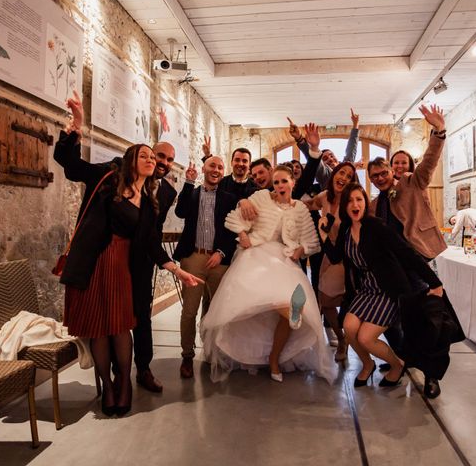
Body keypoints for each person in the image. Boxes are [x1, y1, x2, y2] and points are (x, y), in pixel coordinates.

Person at [54, 92, 201, 417]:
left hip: (128, 267)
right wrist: (76, 127)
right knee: (101, 327)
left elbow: (150, 240)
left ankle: (127, 379)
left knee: (125, 324)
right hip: (95, 262)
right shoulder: (109, 175)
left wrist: (175, 269)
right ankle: (108, 385)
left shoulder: (154, 197)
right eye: (149, 155)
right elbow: (71, 166)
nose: (156, 162)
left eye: (161, 160)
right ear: (133, 157)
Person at [201, 165, 336, 384]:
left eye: (284, 181)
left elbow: (310, 240)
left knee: (290, 308)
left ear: (293, 182)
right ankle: (260, 349)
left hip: (285, 257)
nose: (280, 186)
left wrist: (301, 250)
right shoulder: (262, 198)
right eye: (276, 182)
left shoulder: (300, 208)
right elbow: (233, 218)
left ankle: (275, 357)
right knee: (262, 297)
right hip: (256, 253)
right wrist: (243, 234)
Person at [320, 183, 443, 389]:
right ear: (345, 206)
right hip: (365, 290)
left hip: (388, 290)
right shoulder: (345, 229)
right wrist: (323, 234)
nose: (354, 204)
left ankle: (398, 365)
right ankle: (367, 366)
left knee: (366, 338)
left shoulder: (375, 226)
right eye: (350, 200)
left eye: (359, 199)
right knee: (349, 328)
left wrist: (435, 282)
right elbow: (335, 257)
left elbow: (406, 253)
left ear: (365, 202)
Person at [368, 103, 447, 398]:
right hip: (395, 271)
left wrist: (438, 131)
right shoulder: (375, 205)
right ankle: (404, 358)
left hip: (421, 262)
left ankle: (431, 375)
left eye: (383, 173)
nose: (380, 178)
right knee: (395, 319)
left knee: (430, 320)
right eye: (374, 176)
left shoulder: (413, 183)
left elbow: (429, 161)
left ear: (391, 171)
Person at [173, 156, 239, 379]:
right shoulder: (192, 193)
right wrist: (188, 183)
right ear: (204, 168)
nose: (216, 169)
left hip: (218, 262)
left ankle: (212, 351)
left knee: (214, 310)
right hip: (193, 259)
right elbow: (180, 212)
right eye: (212, 165)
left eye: (220, 167)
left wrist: (221, 253)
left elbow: (232, 230)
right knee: (190, 310)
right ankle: (187, 356)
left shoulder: (230, 198)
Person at [132, 140, 177, 394]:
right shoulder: (125, 178)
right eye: (161, 156)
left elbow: (155, 230)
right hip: (116, 257)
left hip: (144, 260)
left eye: (170, 160)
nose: (164, 163)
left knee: (142, 315)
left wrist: (160, 260)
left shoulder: (168, 193)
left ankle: (143, 369)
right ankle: (115, 372)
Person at [305, 162, 357, 362]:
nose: (343, 177)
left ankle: (355, 341)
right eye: (341, 172)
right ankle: (342, 339)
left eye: (349, 176)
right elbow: (310, 204)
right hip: (331, 256)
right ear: (333, 175)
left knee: (351, 303)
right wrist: (285, 201)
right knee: (326, 302)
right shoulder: (325, 196)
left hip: (349, 256)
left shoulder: (352, 201)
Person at [288, 109, 362, 190]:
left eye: (331, 156)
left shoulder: (346, 165)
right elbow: (313, 158)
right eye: (325, 158)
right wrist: (299, 139)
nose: (330, 159)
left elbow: (351, 149)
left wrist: (355, 125)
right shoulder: (325, 175)